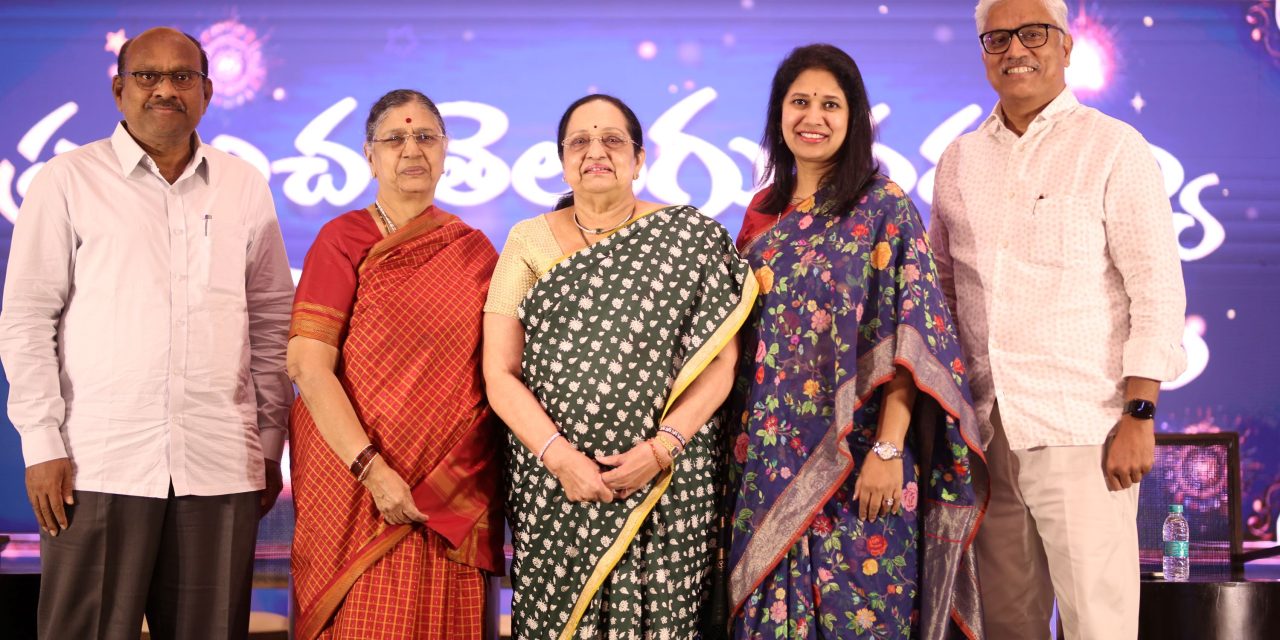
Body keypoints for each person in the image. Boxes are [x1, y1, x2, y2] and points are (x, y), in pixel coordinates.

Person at [0, 27, 293, 640]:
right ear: (118, 90)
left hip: (218, 464)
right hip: (96, 464)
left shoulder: (243, 186)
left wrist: (268, 445)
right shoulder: (66, 180)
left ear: (208, 92)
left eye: (182, 77)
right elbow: (28, 317)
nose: (165, 89)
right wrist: (41, 443)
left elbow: (271, 324)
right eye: (147, 76)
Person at [929, 1, 1188, 637]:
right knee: (1010, 625)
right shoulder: (959, 161)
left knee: (1098, 623)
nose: (1016, 49)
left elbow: (1155, 288)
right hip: (989, 435)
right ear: (984, 53)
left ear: (1067, 46)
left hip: (1085, 430)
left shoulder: (1111, 147)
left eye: (1033, 33)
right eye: (997, 38)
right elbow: (945, 294)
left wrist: (1139, 414)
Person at [726, 44, 988, 639]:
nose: (812, 117)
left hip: (862, 463)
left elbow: (914, 337)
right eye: (799, 102)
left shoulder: (884, 206)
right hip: (769, 465)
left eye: (830, 104)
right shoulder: (762, 215)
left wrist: (890, 450)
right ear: (778, 114)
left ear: (853, 119)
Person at [482, 93, 756, 639]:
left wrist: (661, 449)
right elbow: (499, 373)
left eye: (612, 140)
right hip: (556, 489)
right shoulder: (526, 241)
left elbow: (721, 363)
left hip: (669, 484)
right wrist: (562, 460)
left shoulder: (692, 236)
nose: (595, 152)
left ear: (639, 156)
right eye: (580, 141)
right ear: (561, 159)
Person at [287, 89, 504, 640]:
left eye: (426, 136)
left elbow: (498, 374)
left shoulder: (476, 252)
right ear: (369, 156)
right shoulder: (343, 240)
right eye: (396, 138)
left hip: (446, 497)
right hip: (359, 490)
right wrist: (374, 471)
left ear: (446, 150)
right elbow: (309, 367)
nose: (413, 149)